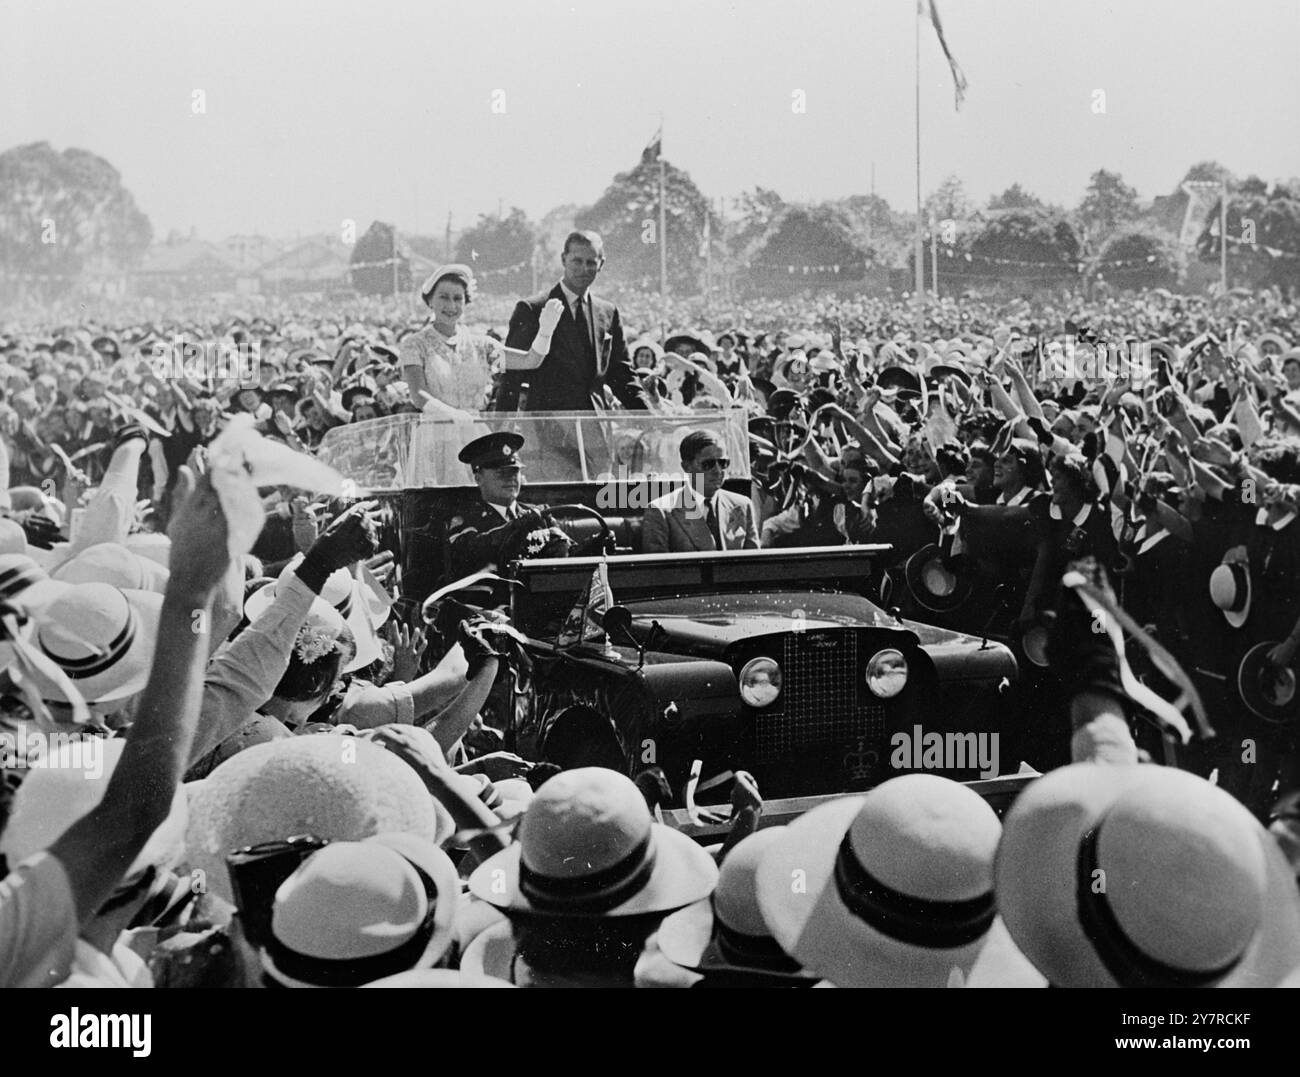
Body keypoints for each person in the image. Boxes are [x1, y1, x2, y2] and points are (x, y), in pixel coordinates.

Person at [497, 232, 648, 415]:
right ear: (563, 259)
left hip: (596, 427)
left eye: (591, 262)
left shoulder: (608, 312)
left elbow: (621, 374)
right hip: (547, 428)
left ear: (601, 264)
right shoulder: (532, 308)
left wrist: (650, 416)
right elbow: (512, 377)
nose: (584, 269)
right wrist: (503, 434)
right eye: (577, 261)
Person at [445, 432, 569, 578]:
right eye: (501, 473)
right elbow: (473, 550)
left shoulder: (540, 514)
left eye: (514, 472)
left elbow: (571, 554)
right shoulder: (465, 520)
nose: (510, 479)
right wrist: (518, 526)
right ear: (479, 479)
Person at [400, 265, 502, 419]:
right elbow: (418, 394)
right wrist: (452, 415)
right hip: (436, 433)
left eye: (457, 298)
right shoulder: (414, 344)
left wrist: (545, 333)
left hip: (474, 432)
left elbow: (529, 361)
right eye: (444, 297)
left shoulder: (482, 344)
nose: (451, 305)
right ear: (430, 300)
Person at [642, 430, 758, 553]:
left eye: (723, 463)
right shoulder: (662, 511)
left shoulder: (742, 506)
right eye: (708, 464)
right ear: (686, 467)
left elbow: (755, 567)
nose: (718, 471)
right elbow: (658, 570)